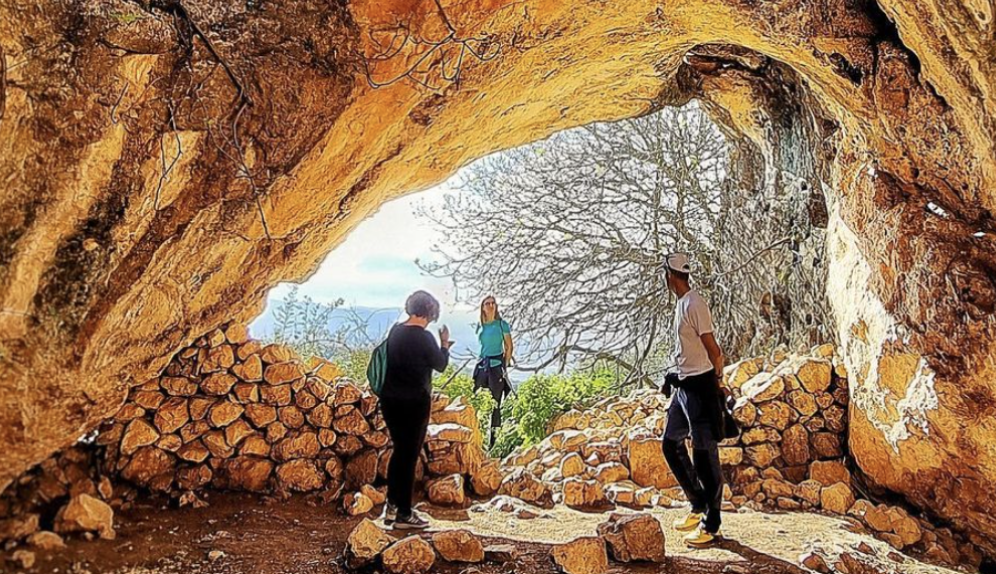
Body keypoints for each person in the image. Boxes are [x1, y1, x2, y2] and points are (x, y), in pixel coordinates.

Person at [659, 252, 728, 547]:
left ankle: (711, 524)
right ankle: (697, 503)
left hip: (700, 387)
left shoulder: (695, 304)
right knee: (670, 443)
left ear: (670, 276)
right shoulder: (683, 303)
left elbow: (714, 351)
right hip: (683, 387)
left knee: (705, 456)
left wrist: (718, 382)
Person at [379, 291, 452, 530]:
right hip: (414, 404)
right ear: (430, 312)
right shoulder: (424, 338)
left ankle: (390, 508)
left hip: (390, 400)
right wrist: (444, 345)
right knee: (409, 457)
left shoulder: (395, 332)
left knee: (399, 453)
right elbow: (440, 365)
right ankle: (404, 514)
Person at [472, 295, 513, 448]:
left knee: (495, 405)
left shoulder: (502, 325)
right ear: (482, 307)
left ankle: (494, 444)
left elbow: (509, 346)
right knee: (478, 403)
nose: (490, 306)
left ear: (496, 306)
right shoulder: (480, 325)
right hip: (482, 366)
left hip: (496, 368)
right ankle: (477, 441)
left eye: (492, 303)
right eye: (486, 303)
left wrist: (505, 365)